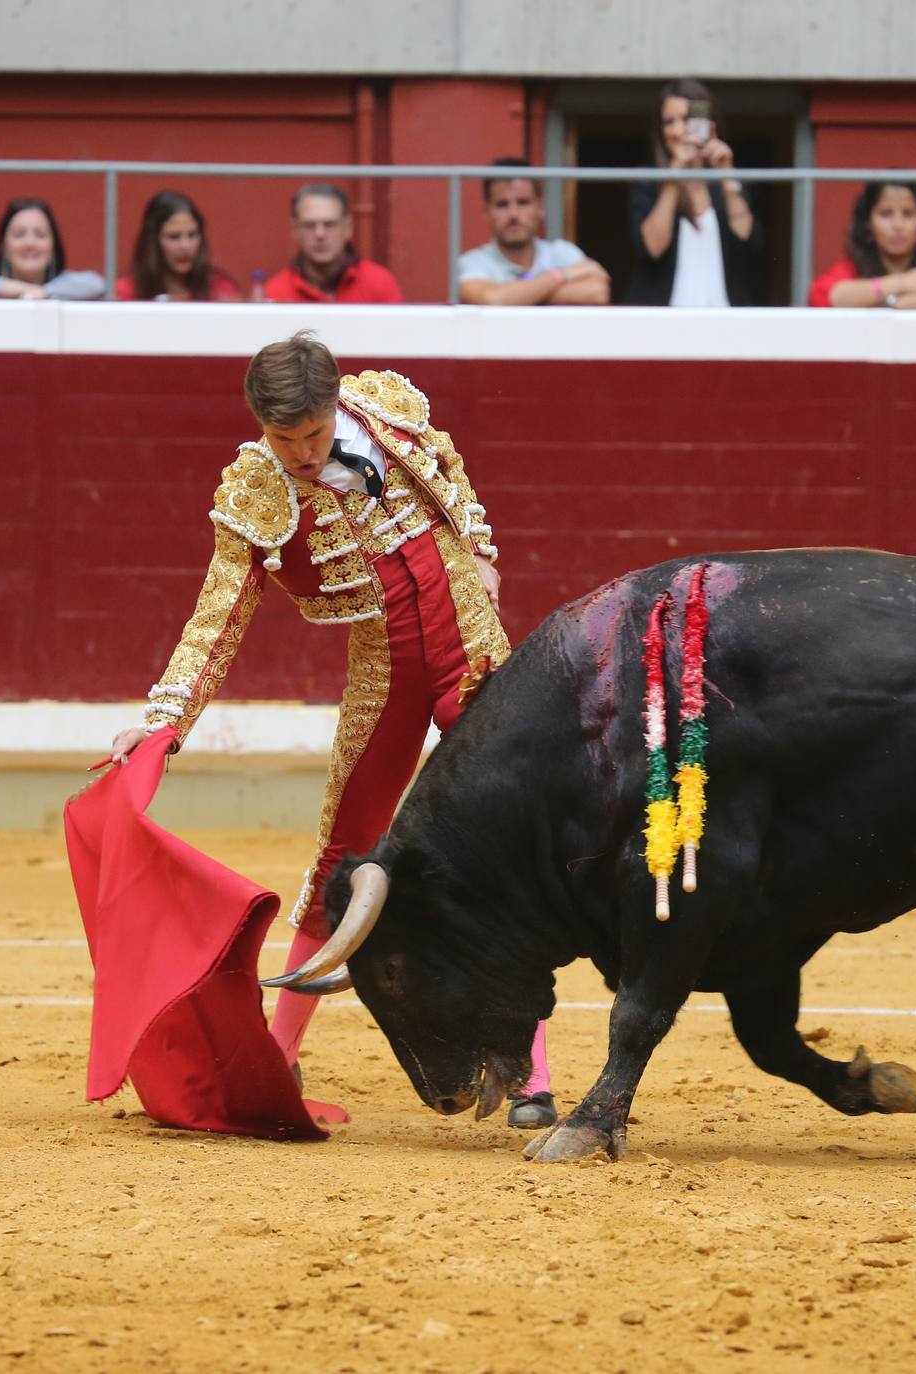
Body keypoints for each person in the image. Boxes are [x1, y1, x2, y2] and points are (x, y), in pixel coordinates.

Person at [100, 331, 556, 1128]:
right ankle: (278, 1056)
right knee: (340, 858)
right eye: (285, 440)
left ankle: (530, 1074)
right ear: (260, 428)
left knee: (508, 847)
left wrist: (480, 551)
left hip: (473, 652)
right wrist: (162, 725)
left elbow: (449, 470)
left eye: (312, 434)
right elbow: (218, 619)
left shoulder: (387, 408)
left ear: (337, 403)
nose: (303, 454)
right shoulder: (255, 492)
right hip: (385, 672)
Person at [625, 79, 764, 307]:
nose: (678, 131)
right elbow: (652, 248)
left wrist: (727, 176)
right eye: (669, 122)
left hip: (724, 320)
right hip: (666, 322)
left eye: (687, 120)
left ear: (708, 124)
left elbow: (747, 242)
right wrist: (673, 178)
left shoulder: (729, 179)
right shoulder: (648, 181)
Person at [807, 180, 916, 309]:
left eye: (908, 214)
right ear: (868, 223)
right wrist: (903, 283)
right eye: (886, 214)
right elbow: (822, 296)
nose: (898, 226)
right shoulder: (852, 268)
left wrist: (882, 301)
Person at [456, 157, 609, 306]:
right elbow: (492, 299)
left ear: (540, 207)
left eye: (523, 203)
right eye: (502, 205)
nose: (513, 214)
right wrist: (560, 275)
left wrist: (517, 296)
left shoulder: (562, 252)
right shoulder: (472, 262)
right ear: (486, 212)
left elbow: (598, 292)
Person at [260, 184, 403, 304]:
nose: (320, 234)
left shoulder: (380, 284)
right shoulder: (275, 294)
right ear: (295, 230)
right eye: (310, 225)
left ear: (348, 227)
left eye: (329, 224)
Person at [0, 197, 107, 300]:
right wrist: (20, 289)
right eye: (19, 234)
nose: (30, 243)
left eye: (40, 235)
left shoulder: (65, 285)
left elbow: (96, 285)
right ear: (3, 246)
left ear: (53, 246)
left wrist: (45, 293)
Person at [115, 189, 240, 302]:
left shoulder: (220, 289)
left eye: (192, 235)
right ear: (153, 241)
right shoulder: (126, 292)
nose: (185, 246)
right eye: (174, 237)